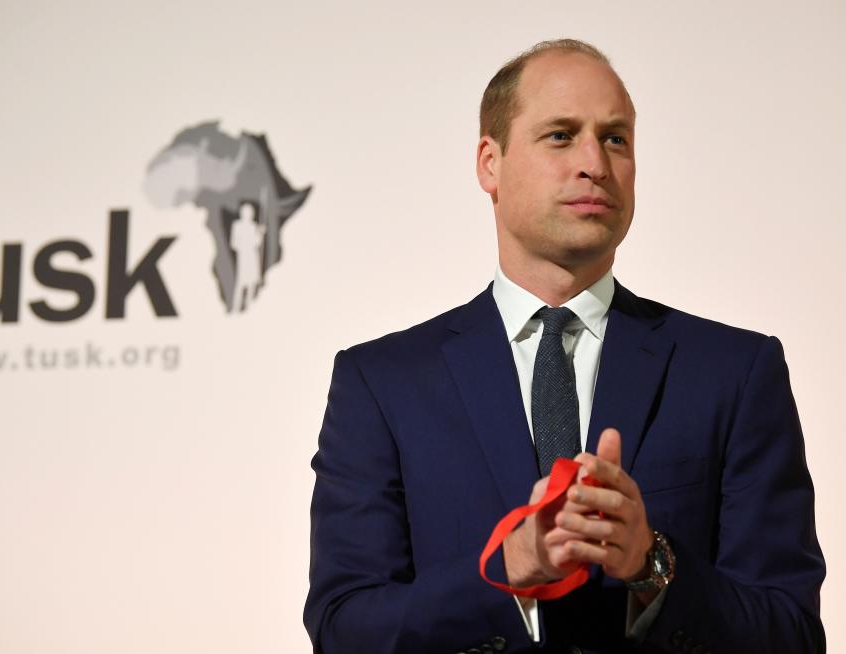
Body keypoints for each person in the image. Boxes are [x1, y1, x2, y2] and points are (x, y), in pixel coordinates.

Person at [303, 39, 825, 654]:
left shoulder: (734, 373)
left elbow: (790, 632)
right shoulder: (382, 383)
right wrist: (508, 573)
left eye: (615, 138)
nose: (595, 164)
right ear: (489, 163)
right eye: (560, 135)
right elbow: (345, 629)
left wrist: (650, 565)